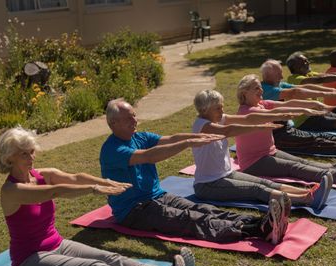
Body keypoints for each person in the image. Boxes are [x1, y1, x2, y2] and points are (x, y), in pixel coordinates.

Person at [0, 126, 195, 266]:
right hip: (30, 261)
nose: (31, 158)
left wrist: (104, 182)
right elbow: (53, 192)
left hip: (57, 243)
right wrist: (93, 189)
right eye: (24, 154)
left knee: (110, 257)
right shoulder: (11, 191)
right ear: (9, 158)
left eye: (31, 152)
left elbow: (74, 177)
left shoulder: (40, 175)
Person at [99, 100, 289, 245]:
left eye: (134, 115)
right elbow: (149, 156)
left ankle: (261, 221)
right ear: (113, 123)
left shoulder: (140, 136)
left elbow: (171, 138)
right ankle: (256, 230)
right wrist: (188, 143)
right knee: (188, 219)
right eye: (128, 118)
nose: (135, 120)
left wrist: (197, 136)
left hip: (157, 195)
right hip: (134, 209)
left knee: (202, 209)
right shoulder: (112, 150)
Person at [191, 89, 333, 211]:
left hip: (225, 174)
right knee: (256, 190)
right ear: (205, 110)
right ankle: (307, 200)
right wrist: (259, 127)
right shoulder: (202, 126)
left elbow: (247, 118)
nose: (222, 111)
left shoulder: (219, 118)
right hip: (208, 185)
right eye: (218, 108)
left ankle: (308, 192)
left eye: (222, 107)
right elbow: (229, 130)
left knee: (265, 183)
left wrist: (276, 116)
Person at [235, 74, 336, 184]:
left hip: (268, 152)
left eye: (260, 87)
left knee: (300, 161)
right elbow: (275, 113)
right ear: (244, 92)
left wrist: (313, 104)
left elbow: (288, 104)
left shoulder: (261, 104)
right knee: (294, 167)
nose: (261, 90)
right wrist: (303, 110)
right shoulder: (247, 112)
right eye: (256, 88)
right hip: (253, 163)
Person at [259, 60, 336, 156]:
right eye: (279, 73)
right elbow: (295, 92)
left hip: (285, 128)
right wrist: (327, 94)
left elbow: (305, 89)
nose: (281, 76)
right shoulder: (268, 90)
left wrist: (330, 91)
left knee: (321, 136)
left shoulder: (276, 84)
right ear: (271, 76)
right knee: (315, 142)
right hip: (274, 137)